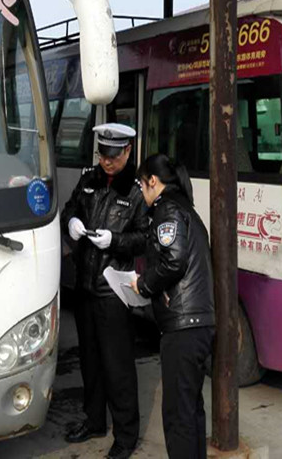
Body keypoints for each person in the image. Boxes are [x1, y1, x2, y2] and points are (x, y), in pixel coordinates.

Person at [61, 123, 147, 459]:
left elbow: (144, 238)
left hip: (113, 290)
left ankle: (126, 436)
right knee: (90, 361)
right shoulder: (89, 180)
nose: (107, 161)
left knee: (118, 366)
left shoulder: (136, 191)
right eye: (102, 154)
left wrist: (116, 241)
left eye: (113, 155)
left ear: (127, 151)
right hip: (85, 284)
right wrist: (72, 223)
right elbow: (70, 209)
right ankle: (94, 420)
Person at [130, 153, 215, 459]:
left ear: (153, 181)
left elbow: (173, 261)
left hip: (183, 326)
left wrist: (143, 284)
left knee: (178, 416)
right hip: (198, 323)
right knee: (191, 410)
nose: (141, 191)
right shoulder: (186, 209)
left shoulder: (167, 210)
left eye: (142, 184)